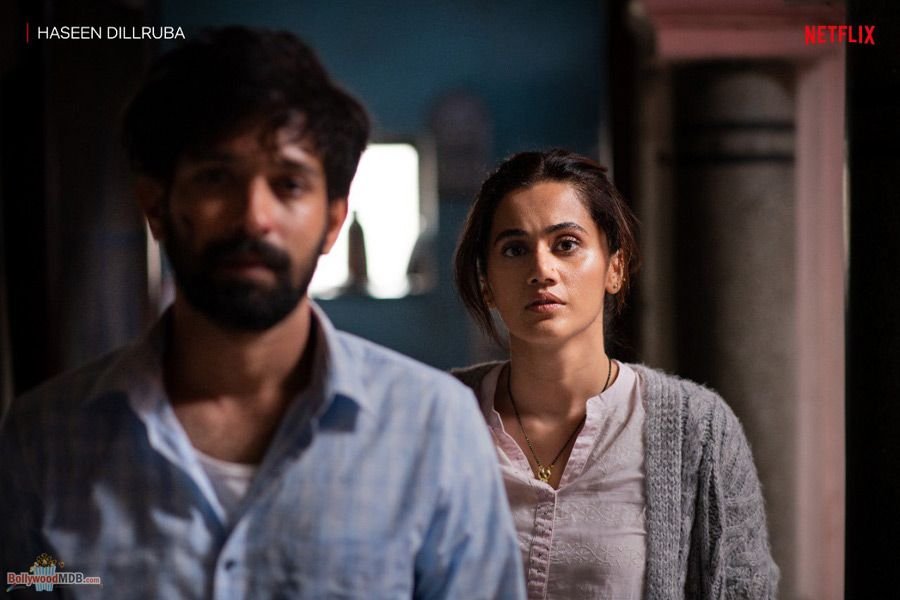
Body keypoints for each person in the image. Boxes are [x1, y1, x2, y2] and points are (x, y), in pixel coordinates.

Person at [0, 27, 524, 599]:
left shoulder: (434, 427)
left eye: (289, 184)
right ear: (156, 207)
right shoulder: (43, 439)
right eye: (216, 178)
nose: (253, 216)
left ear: (332, 221)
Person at [451, 149, 778, 599]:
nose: (541, 270)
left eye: (566, 244)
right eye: (515, 249)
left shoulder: (698, 430)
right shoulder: (435, 416)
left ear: (615, 268)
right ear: (486, 283)